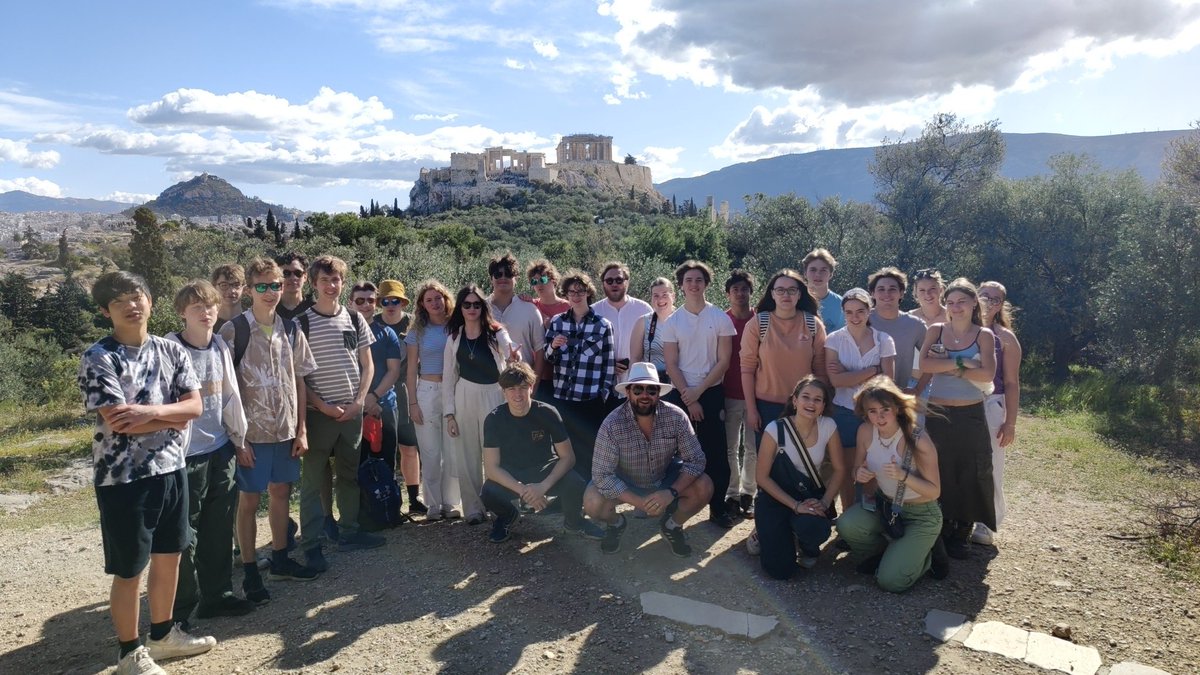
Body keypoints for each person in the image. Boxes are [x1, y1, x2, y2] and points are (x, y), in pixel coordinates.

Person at [79, 271, 214, 675]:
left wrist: (150, 413)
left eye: (137, 296)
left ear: (151, 301)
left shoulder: (171, 351)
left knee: (169, 556)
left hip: (171, 468)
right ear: (106, 311)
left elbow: (194, 408)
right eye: (120, 301)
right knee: (129, 568)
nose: (132, 305)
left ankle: (163, 635)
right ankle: (128, 652)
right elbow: (118, 421)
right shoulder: (99, 357)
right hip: (123, 479)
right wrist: (169, 416)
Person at [219, 258, 321, 594]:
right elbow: (225, 390)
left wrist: (302, 429)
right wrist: (238, 440)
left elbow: (301, 380)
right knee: (248, 501)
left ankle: (280, 559)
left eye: (275, 285)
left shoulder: (291, 329)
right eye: (261, 286)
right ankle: (250, 571)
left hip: (285, 430)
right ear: (249, 289)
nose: (270, 292)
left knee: (281, 492)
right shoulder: (234, 331)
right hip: (251, 434)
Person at [165, 281, 255, 628]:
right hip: (184, 457)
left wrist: (239, 440)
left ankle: (216, 596)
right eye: (197, 308)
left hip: (220, 449)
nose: (206, 313)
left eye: (210, 307)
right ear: (181, 312)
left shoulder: (219, 345)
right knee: (183, 535)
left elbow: (229, 396)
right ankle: (176, 612)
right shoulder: (169, 349)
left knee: (218, 528)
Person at [299, 255, 384, 565]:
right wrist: (321, 405)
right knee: (311, 483)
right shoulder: (302, 323)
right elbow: (298, 377)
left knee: (348, 475)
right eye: (325, 280)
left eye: (336, 280)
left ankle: (349, 531)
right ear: (313, 283)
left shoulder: (355, 318)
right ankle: (311, 545)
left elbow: (368, 364)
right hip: (319, 415)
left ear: (342, 283)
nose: (331, 286)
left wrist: (359, 402)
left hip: (352, 414)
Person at [584, 363, 713, 557]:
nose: (645, 395)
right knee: (592, 501)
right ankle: (616, 523)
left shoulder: (676, 417)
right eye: (638, 389)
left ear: (658, 393)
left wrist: (671, 492)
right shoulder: (612, 424)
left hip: (664, 478)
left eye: (651, 390)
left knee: (705, 486)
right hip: (627, 481)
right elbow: (602, 475)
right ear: (628, 392)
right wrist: (639, 502)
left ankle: (672, 525)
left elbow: (695, 460)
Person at [838, 376, 945, 593]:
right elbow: (855, 471)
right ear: (865, 413)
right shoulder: (865, 432)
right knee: (847, 524)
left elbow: (934, 491)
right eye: (872, 411)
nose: (879, 416)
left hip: (921, 514)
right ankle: (892, 553)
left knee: (890, 582)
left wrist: (903, 475)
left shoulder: (917, 438)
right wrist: (859, 474)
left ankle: (927, 557)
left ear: (897, 407)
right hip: (886, 507)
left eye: (885, 409)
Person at [481, 362, 606, 543]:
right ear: (503, 392)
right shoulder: (494, 419)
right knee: (489, 492)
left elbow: (568, 457)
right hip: (513, 473)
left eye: (523, 388)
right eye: (511, 389)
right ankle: (507, 516)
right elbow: (492, 468)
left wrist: (543, 487)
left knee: (575, 482)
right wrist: (524, 491)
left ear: (531, 388)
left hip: (543, 469)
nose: (517, 395)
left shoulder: (547, 413)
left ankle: (574, 522)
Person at [917, 278, 997, 559]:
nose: (955, 307)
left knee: (970, 470)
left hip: (970, 412)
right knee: (939, 467)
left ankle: (963, 529)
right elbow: (925, 365)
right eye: (950, 303)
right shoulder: (936, 330)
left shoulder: (983, 335)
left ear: (974, 303)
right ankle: (941, 525)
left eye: (962, 301)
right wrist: (963, 364)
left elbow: (987, 374)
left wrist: (947, 366)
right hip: (937, 412)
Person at [662, 260, 738, 529]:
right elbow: (671, 363)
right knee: (675, 453)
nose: (694, 284)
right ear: (681, 286)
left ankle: (718, 508)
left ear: (706, 284)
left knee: (716, 453)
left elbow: (724, 361)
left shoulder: (720, 318)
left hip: (711, 392)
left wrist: (699, 393)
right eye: (688, 280)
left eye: (699, 279)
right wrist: (688, 396)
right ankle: (672, 506)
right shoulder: (673, 322)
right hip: (680, 394)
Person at [753, 376, 846, 579]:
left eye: (817, 399)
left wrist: (824, 501)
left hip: (807, 494)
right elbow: (761, 477)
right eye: (805, 397)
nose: (811, 403)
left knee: (815, 528)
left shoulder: (828, 426)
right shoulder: (774, 429)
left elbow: (840, 469)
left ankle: (805, 545)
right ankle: (765, 532)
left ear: (823, 405)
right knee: (780, 570)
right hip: (776, 498)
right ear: (794, 401)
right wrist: (795, 506)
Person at [444, 284, 518, 525]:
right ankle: (474, 509)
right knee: (467, 455)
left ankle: (500, 506)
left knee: (497, 453)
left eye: (477, 304)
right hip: (464, 393)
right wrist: (449, 415)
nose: (472, 308)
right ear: (461, 307)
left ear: (483, 307)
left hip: (494, 393)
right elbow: (448, 378)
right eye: (467, 304)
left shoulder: (496, 332)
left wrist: (514, 356)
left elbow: (510, 351)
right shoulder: (454, 337)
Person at [825, 287, 896, 509]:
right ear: (843, 313)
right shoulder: (833, 340)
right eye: (849, 312)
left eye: (860, 311)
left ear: (869, 311)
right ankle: (848, 517)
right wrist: (871, 370)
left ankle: (870, 516)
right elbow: (835, 382)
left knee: (872, 465)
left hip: (874, 413)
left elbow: (886, 383)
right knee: (846, 468)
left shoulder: (884, 340)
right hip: (844, 411)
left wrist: (848, 373)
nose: (854, 317)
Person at [740, 269, 828, 447]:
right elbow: (747, 369)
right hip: (766, 406)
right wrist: (752, 410)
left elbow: (820, 369)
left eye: (791, 290)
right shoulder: (758, 324)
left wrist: (821, 406)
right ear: (772, 294)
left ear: (799, 294)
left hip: (805, 406)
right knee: (769, 465)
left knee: (802, 463)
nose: (785, 295)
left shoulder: (812, 324)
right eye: (780, 290)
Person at [544, 270, 615, 478]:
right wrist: (553, 347)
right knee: (563, 449)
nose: (576, 295)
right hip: (563, 397)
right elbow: (549, 358)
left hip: (589, 398)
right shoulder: (557, 322)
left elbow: (608, 364)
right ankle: (567, 494)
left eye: (580, 291)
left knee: (588, 447)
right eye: (571, 291)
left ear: (588, 293)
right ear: (565, 294)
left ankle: (588, 492)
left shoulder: (602, 325)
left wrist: (603, 394)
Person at [349, 281, 404, 529]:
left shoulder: (387, 333)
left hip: (385, 405)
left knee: (386, 462)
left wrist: (374, 397)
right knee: (356, 464)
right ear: (350, 303)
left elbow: (393, 371)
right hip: (352, 407)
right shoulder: (343, 331)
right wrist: (362, 399)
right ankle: (363, 515)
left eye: (371, 300)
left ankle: (388, 511)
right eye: (360, 300)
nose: (366, 305)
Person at [405, 280, 462, 521]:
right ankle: (433, 504)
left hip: (454, 390)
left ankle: (451, 503)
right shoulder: (416, 331)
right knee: (429, 451)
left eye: (438, 298)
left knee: (452, 450)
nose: (435, 303)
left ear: (446, 299)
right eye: (429, 300)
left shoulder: (457, 326)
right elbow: (409, 371)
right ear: (422, 304)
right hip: (426, 390)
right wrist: (413, 403)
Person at [974, 281, 1022, 546]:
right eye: (984, 296)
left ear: (1000, 305)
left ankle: (986, 521)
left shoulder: (1005, 337)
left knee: (990, 463)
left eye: (994, 299)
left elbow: (1012, 382)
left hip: (992, 403)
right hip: (958, 401)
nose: (988, 302)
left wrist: (1010, 423)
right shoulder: (958, 329)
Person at [376, 279, 426, 515]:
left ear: (403, 301)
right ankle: (387, 501)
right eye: (385, 301)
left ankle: (414, 499)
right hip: (377, 394)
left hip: (406, 392)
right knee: (382, 449)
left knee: (409, 448)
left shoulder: (413, 325)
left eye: (395, 300)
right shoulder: (371, 324)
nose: (390, 305)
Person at [721, 270, 757, 518]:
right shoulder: (722, 321)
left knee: (753, 448)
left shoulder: (761, 320)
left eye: (744, 289)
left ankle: (749, 493)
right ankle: (732, 493)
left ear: (750, 292)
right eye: (735, 289)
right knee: (730, 447)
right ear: (728, 294)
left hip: (756, 394)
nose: (740, 293)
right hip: (729, 393)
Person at [591, 261, 652, 406]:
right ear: (603, 284)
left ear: (627, 282)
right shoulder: (593, 312)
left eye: (619, 280)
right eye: (609, 280)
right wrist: (608, 363)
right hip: (603, 387)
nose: (614, 284)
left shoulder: (644, 309)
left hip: (638, 384)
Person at [486, 252, 546, 375]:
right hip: (488, 387)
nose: (503, 277)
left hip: (521, 386)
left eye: (508, 274)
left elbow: (540, 351)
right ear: (491, 279)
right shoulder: (479, 309)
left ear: (516, 279)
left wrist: (534, 387)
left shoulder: (530, 310)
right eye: (498, 274)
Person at [868, 267, 926, 391]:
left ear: (901, 292)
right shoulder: (862, 320)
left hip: (899, 398)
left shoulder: (915, 325)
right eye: (881, 289)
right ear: (872, 293)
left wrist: (918, 389)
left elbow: (933, 360)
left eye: (892, 289)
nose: (887, 294)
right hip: (864, 398)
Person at [526, 259, 568, 401]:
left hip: (561, 376)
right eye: (534, 282)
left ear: (554, 280)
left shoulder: (568, 308)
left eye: (542, 279)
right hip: (536, 375)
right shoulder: (530, 306)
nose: (538, 284)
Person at [908, 268, 948, 392]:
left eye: (932, 289)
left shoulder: (953, 317)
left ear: (941, 290)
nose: (928, 295)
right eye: (922, 290)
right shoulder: (908, 319)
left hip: (944, 385)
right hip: (911, 384)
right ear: (915, 292)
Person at [628, 277, 675, 379]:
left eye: (664, 295)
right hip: (651, 383)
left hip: (678, 383)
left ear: (673, 296)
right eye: (656, 296)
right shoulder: (643, 322)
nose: (660, 299)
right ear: (651, 298)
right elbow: (635, 359)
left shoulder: (683, 320)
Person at [802, 248, 844, 333]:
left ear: (831, 274)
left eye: (823, 270)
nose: (818, 274)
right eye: (813, 270)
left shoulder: (841, 304)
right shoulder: (795, 300)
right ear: (805, 273)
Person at [274, 252, 315, 322]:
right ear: (277, 277)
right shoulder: (269, 309)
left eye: (298, 273)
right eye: (286, 273)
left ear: (305, 277)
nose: (293, 278)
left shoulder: (315, 309)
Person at [211, 263, 245, 332]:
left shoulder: (254, 322)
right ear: (214, 288)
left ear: (244, 288)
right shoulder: (207, 325)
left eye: (236, 285)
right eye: (224, 285)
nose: (231, 290)